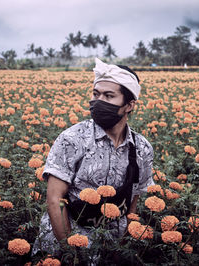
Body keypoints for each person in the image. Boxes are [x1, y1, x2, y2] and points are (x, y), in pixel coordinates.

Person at [32, 58, 154, 256]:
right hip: (67, 238)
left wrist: (120, 248)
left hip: (112, 244)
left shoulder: (142, 149)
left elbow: (134, 202)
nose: (99, 102)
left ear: (129, 105)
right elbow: (55, 199)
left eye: (109, 96)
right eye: (96, 94)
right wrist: (71, 252)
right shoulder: (72, 139)